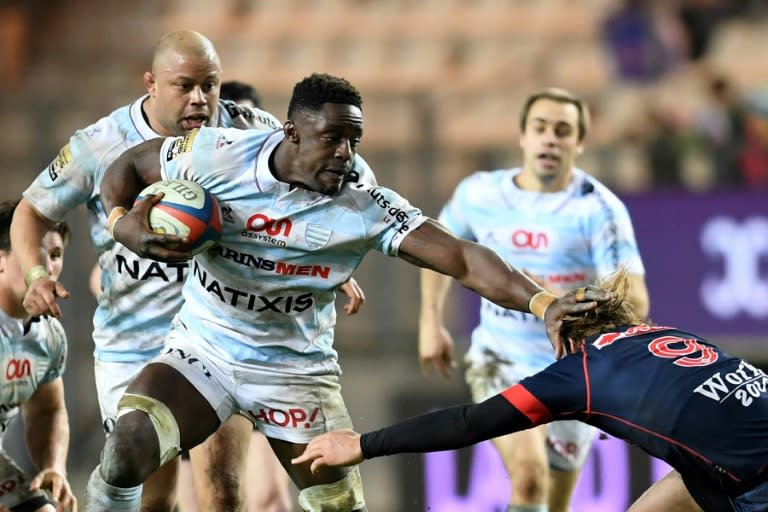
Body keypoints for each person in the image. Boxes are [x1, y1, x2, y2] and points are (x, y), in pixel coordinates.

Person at [82, 72, 609, 512]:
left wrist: (543, 302)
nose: (345, 153)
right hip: (204, 351)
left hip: (295, 375)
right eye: (331, 138)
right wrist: (122, 223)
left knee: (338, 508)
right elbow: (128, 165)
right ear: (291, 131)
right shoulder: (218, 154)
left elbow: (463, 257)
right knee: (127, 449)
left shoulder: (363, 203)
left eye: (354, 140)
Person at [8, 29, 310, 512]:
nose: (200, 99)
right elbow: (31, 211)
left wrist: (333, 266)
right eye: (184, 85)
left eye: (209, 85)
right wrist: (35, 275)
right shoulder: (101, 144)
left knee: (226, 492)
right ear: (150, 83)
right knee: (154, 495)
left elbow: (304, 204)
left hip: (220, 338)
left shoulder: (250, 131)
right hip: (135, 344)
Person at [294, 270, 768, 512]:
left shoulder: (579, 372)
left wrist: (363, 445)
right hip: (740, 464)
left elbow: (469, 423)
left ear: (562, 335)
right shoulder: (673, 335)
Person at [419, 87, 650, 512]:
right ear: (523, 137)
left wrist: (561, 298)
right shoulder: (480, 193)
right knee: (528, 479)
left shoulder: (599, 210)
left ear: (578, 143)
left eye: (563, 131)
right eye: (540, 128)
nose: (550, 139)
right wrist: (429, 322)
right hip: (500, 357)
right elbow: (438, 251)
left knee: (554, 502)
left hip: (568, 367)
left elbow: (636, 300)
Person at [0, 200, 76, 511]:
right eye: (32, 250)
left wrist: (54, 466)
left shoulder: (49, 338)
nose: (44, 264)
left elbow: (47, 412)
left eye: (55, 254)